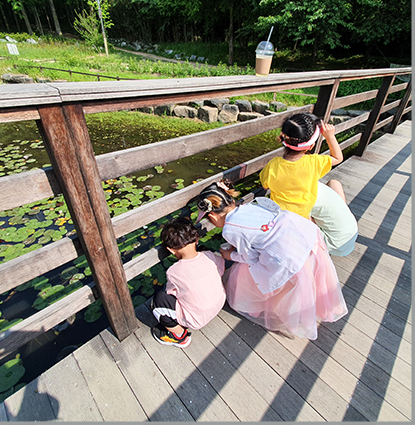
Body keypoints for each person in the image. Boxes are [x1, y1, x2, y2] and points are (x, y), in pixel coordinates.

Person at [196, 180, 348, 340]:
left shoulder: (229, 230)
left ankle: (251, 305)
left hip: (286, 256)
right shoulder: (248, 207)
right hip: (303, 237)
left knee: (244, 274)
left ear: (212, 216)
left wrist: (230, 256)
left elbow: (250, 258)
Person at [259, 112, 357, 256]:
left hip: (334, 244)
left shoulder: (273, 165)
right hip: (349, 232)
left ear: (282, 138)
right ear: (310, 146)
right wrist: (330, 136)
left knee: (305, 214)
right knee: (334, 183)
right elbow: (337, 157)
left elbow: (265, 186)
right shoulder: (314, 162)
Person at [151, 217, 226, 348]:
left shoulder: (174, 271)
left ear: (171, 250)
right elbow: (221, 269)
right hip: (219, 303)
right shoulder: (209, 255)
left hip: (197, 319)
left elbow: (170, 293)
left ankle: (180, 336)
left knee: (158, 302)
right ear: (196, 239)